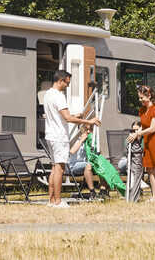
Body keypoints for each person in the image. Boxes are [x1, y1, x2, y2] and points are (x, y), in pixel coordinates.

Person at [43, 69, 100, 208]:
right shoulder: (59, 96)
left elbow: (61, 114)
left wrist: (75, 115)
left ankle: (51, 201)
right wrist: (89, 122)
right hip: (59, 136)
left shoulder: (48, 94)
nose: (67, 86)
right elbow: (67, 118)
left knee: (54, 167)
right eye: (67, 83)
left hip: (50, 135)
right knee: (60, 169)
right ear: (61, 80)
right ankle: (57, 201)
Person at [127, 84, 155, 202]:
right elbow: (143, 127)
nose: (140, 100)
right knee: (150, 169)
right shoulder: (142, 110)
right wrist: (135, 133)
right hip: (148, 142)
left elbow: (152, 129)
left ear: (149, 96)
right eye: (139, 98)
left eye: (142, 98)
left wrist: (138, 134)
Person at [67, 123, 104, 199]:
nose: (88, 132)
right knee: (88, 165)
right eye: (86, 130)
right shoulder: (75, 139)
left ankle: (103, 191)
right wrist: (81, 140)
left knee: (101, 164)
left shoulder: (91, 140)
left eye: (90, 130)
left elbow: (100, 153)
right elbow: (71, 151)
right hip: (73, 165)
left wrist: (95, 145)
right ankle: (92, 191)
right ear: (82, 130)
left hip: (87, 165)